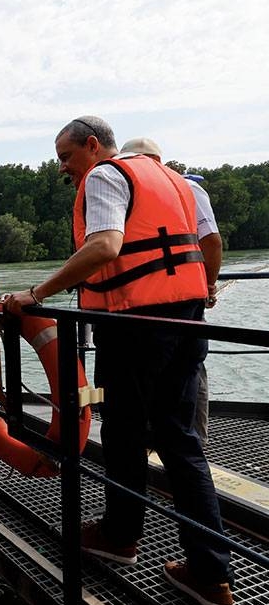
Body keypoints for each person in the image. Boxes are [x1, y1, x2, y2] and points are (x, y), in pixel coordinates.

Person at [5, 116, 234, 605]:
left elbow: (105, 245)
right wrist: (207, 286)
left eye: (66, 157)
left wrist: (36, 293)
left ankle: (120, 535)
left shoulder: (106, 175)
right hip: (187, 321)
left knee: (125, 433)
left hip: (135, 325)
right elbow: (208, 245)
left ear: (92, 145)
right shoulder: (177, 182)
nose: (63, 168)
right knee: (181, 441)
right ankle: (212, 574)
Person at [120, 137, 223, 443]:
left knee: (189, 372)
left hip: (185, 297)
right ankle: (166, 439)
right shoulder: (141, 191)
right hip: (156, 301)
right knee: (171, 374)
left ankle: (196, 438)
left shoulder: (187, 188)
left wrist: (208, 284)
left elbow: (212, 241)